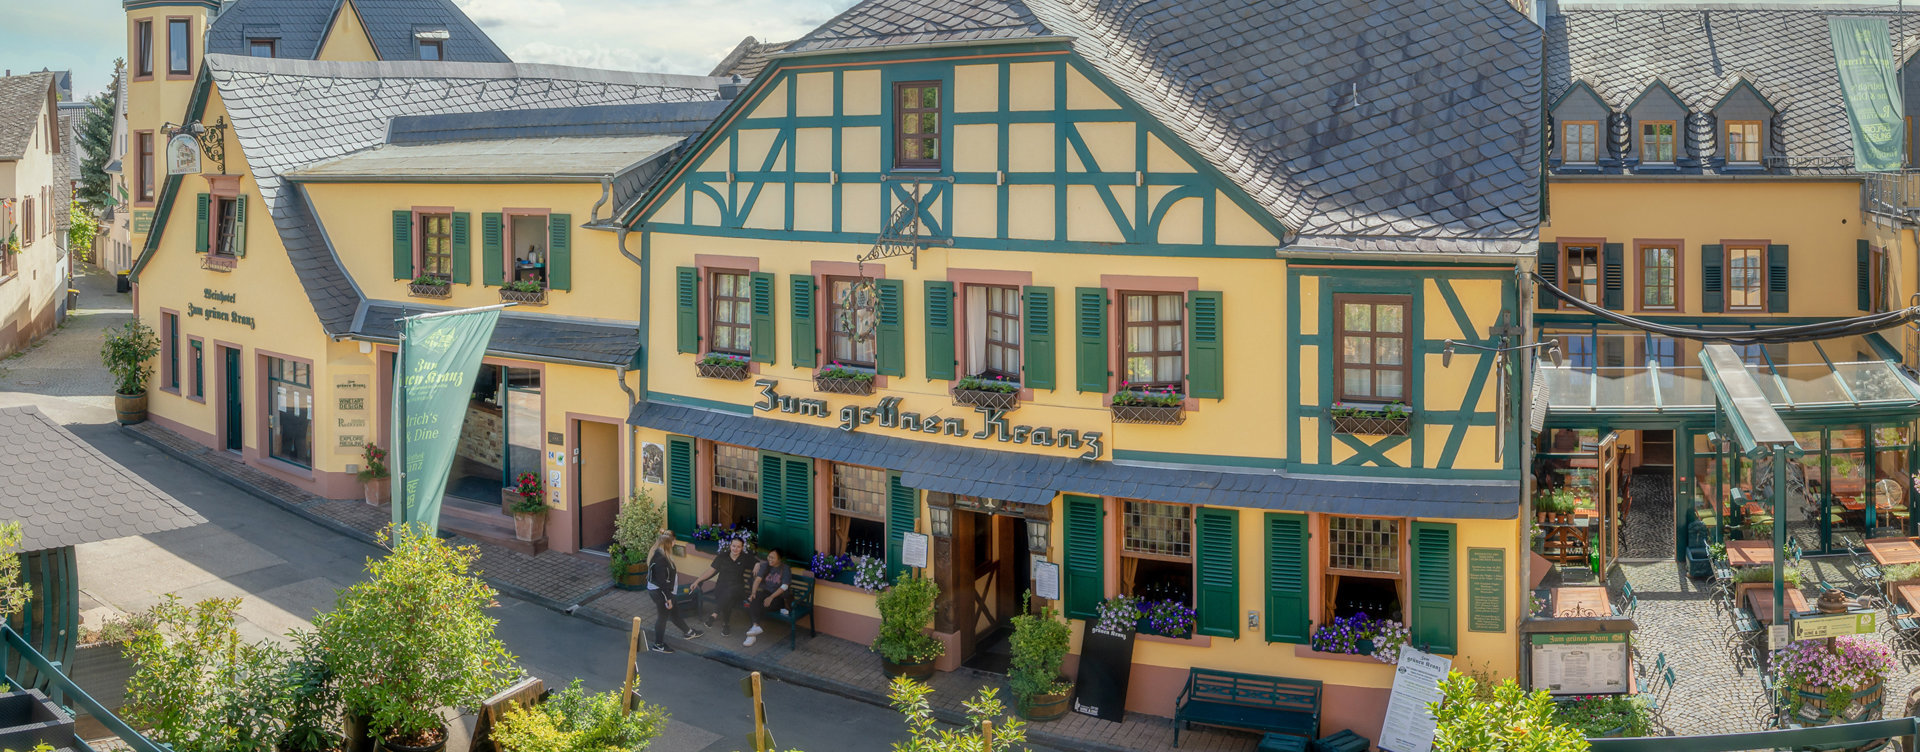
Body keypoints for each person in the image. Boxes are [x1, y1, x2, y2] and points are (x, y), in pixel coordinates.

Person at [647, 531, 703, 653]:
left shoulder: (661, 553)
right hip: (661, 592)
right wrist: (668, 598)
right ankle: (658, 644)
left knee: (675, 613)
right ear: (668, 543)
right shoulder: (660, 559)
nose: (674, 543)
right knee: (663, 617)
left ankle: (688, 632)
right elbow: (662, 582)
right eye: (673, 542)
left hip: (663, 591)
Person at [697, 537, 756, 636]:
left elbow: (757, 562)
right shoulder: (722, 556)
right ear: (730, 546)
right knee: (728, 596)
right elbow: (710, 571)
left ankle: (714, 615)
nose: (735, 549)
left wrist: (757, 565)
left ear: (742, 548)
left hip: (738, 589)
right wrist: (697, 581)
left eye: (738, 547)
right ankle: (725, 625)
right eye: (733, 546)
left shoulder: (745, 557)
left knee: (730, 591)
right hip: (722, 588)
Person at [743, 548, 792, 647]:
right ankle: (755, 628)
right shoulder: (766, 565)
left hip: (779, 597)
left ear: (779, 559)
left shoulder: (785, 568)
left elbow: (785, 586)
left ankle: (752, 634)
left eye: (773, 558)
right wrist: (753, 593)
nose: (770, 559)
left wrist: (771, 597)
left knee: (759, 606)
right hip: (766, 592)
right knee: (754, 601)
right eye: (769, 557)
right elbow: (758, 580)